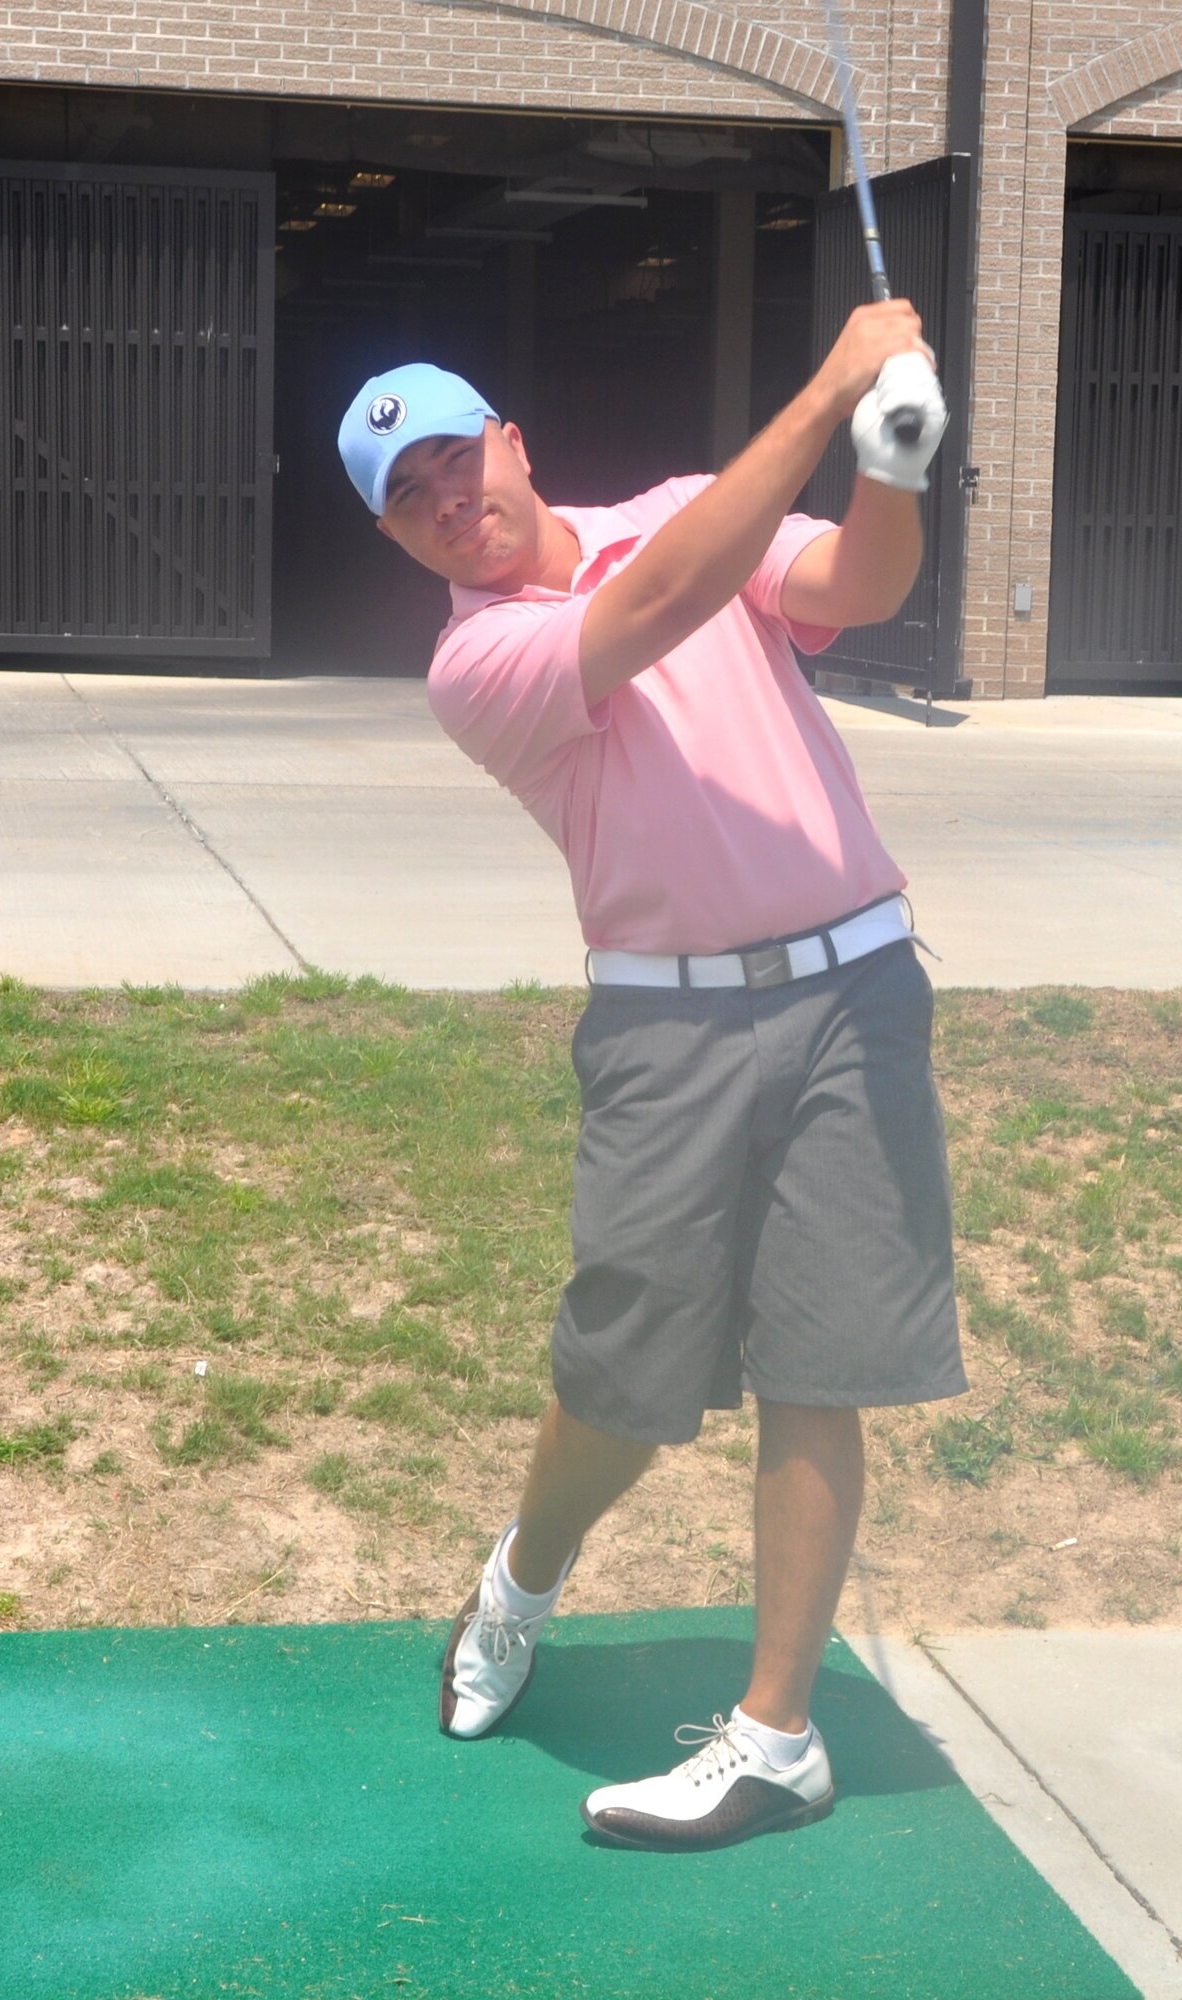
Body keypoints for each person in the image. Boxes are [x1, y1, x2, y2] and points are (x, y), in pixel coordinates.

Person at [336, 299, 966, 1853]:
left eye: (454, 458)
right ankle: (519, 1582)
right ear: (402, 542)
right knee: (623, 1386)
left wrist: (893, 451)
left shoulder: (691, 503)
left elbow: (855, 583)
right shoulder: (483, 661)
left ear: (512, 439)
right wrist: (827, 384)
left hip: (856, 991)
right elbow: (665, 606)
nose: (446, 502)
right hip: (665, 1030)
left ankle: (774, 1737)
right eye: (407, 500)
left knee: (823, 1366)